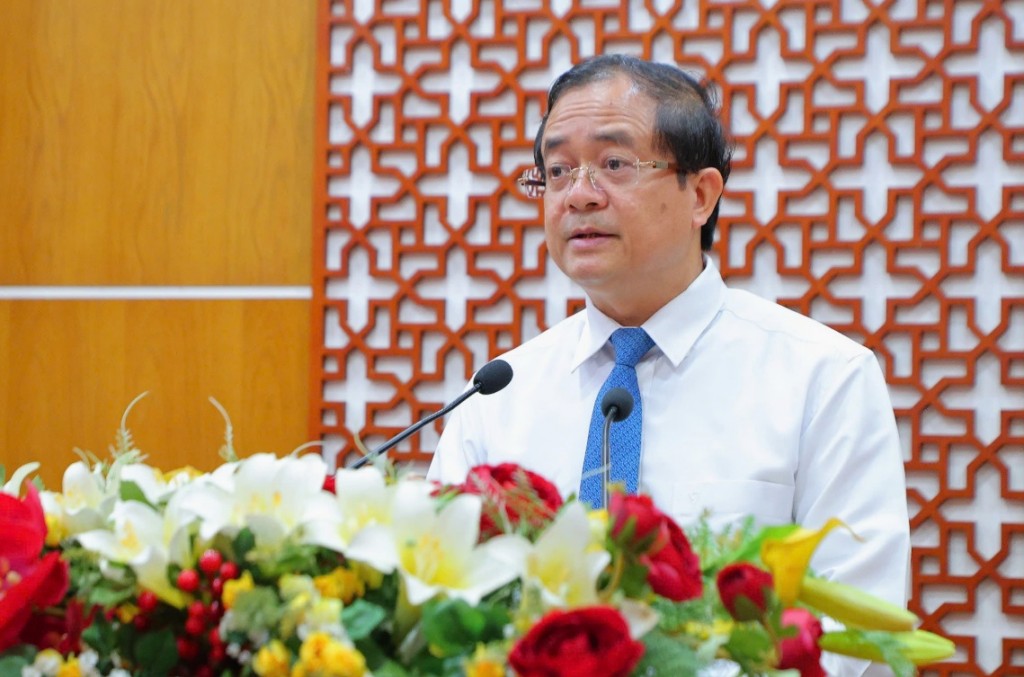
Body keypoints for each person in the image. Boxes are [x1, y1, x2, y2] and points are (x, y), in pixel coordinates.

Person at [427, 54, 909, 674]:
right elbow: (445, 608)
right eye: (557, 170)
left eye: (614, 164)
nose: (578, 195)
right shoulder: (497, 395)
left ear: (701, 194)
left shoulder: (824, 377)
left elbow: (856, 631)